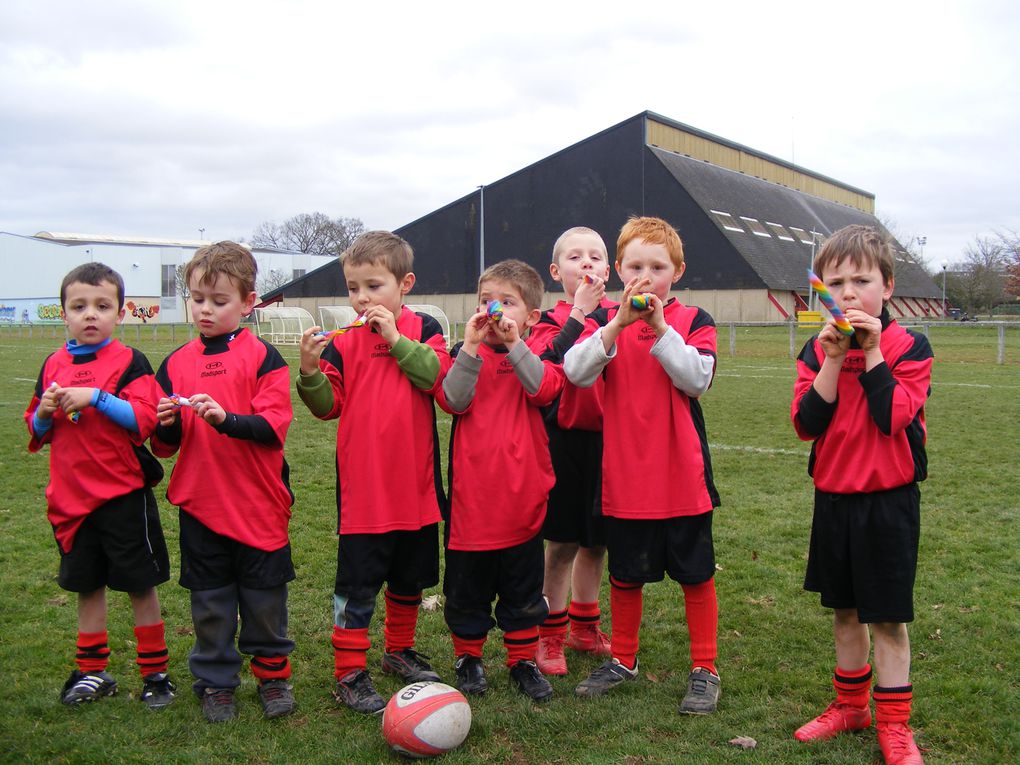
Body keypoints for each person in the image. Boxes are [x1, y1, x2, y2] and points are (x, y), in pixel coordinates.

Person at [564, 216, 722, 714]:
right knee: (626, 574)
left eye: (658, 266)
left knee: (695, 574)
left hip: (682, 474)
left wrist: (658, 329)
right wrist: (616, 325)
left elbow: (696, 379)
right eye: (636, 265)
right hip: (625, 474)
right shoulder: (606, 320)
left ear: (676, 271)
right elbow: (575, 371)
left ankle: (705, 668)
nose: (646, 275)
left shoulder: (693, 319)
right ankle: (624, 660)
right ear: (620, 269)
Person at [791, 225, 933, 765]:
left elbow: (894, 416)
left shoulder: (909, 344)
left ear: (888, 285)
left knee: (887, 619)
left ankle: (895, 725)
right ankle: (850, 706)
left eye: (862, 280)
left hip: (887, 503)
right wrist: (832, 358)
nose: (848, 292)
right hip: (833, 499)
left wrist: (870, 353)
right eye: (836, 282)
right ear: (822, 290)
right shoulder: (815, 347)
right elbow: (806, 423)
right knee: (846, 613)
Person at [296, 231, 452, 714]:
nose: (362, 298)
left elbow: (436, 379)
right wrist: (309, 372)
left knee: (410, 579)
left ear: (404, 284)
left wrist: (396, 339)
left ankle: (398, 651)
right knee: (356, 584)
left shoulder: (425, 328)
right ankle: (349, 671)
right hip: (365, 489)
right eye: (353, 287)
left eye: (373, 286)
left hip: (416, 484)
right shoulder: (344, 343)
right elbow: (328, 407)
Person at [152, 242, 296, 723]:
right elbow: (164, 446)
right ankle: (216, 683)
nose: (205, 309)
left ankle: (273, 677)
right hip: (201, 506)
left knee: (263, 601)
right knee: (211, 604)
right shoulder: (174, 363)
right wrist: (167, 422)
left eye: (218, 300)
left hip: (259, 505)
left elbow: (271, 428)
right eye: (197, 299)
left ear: (248, 302)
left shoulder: (264, 357)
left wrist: (226, 419)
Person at [25, 262, 175, 710]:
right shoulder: (53, 363)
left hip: (122, 496)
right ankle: (92, 671)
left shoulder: (131, 362)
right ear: (64, 313)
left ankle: (156, 674)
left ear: (120, 313)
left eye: (102, 306)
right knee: (87, 586)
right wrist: (46, 412)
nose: (91, 314)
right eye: (80, 306)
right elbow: (35, 428)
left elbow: (144, 420)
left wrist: (97, 398)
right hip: (72, 502)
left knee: (139, 586)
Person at [436, 259, 565, 702]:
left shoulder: (537, 357)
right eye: (485, 301)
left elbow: (544, 390)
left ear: (531, 317)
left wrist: (515, 346)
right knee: (466, 592)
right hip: (472, 505)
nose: (493, 311)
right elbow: (453, 400)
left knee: (522, 592)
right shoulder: (463, 355)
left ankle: (522, 660)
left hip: (522, 503)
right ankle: (468, 657)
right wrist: (471, 347)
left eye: (506, 302)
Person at [527, 227, 614, 676]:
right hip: (561, 440)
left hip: (609, 442)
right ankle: (549, 635)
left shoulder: (622, 315)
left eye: (596, 256)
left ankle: (584, 626)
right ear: (557, 272)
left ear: (608, 269)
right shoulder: (548, 320)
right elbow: (548, 362)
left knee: (596, 543)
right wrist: (579, 312)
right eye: (576, 257)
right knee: (561, 544)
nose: (587, 263)